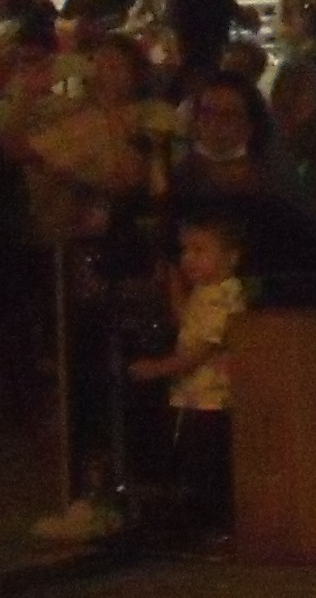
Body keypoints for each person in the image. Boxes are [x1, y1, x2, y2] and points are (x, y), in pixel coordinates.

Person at [125, 210, 249, 536]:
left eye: (199, 250)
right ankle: (196, 517)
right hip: (195, 394)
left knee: (207, 460)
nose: (189, 259)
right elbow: (188, 324)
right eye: (185, 251)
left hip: (214, 397)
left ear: (231, 257)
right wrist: (175, 287)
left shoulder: (225, 295)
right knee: (191, 457)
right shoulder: (204, 293)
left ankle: (212, 522)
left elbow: (198, 353)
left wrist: (156, 369)